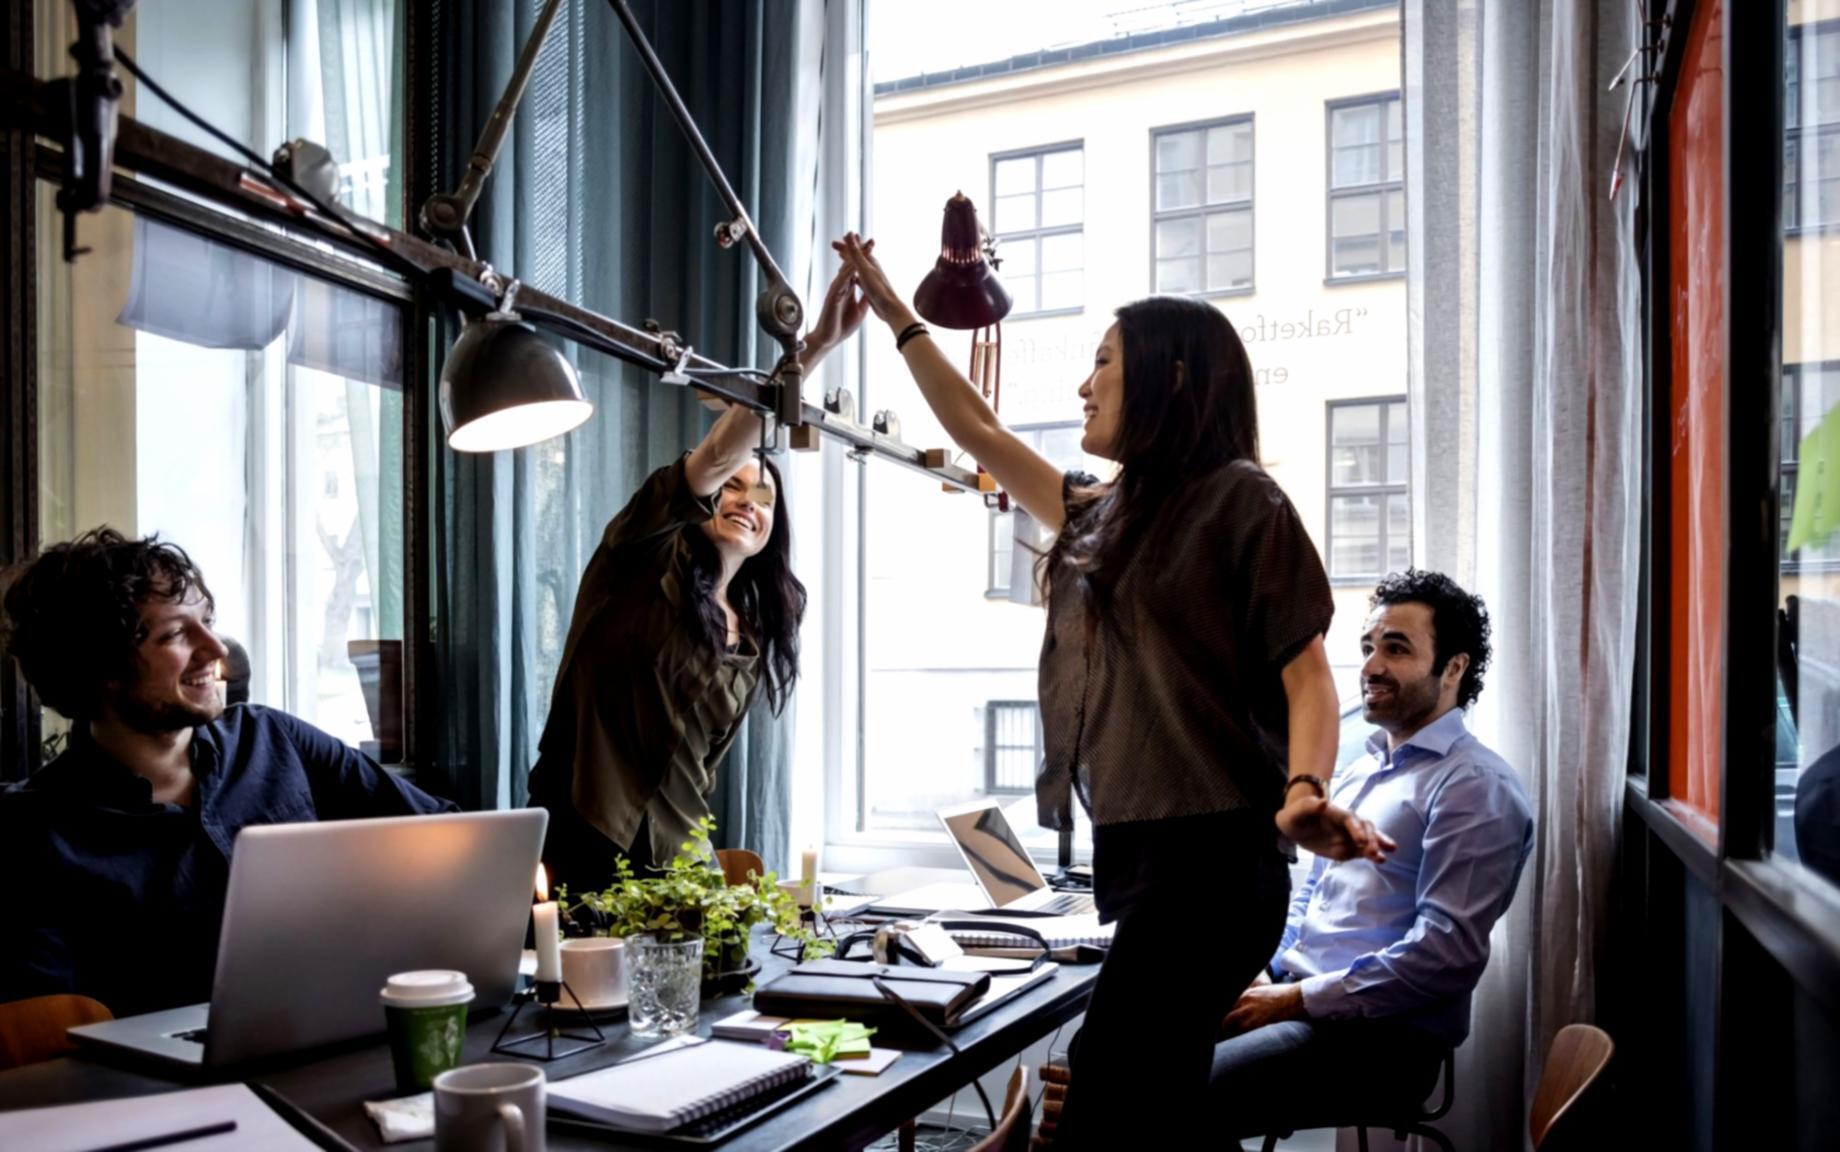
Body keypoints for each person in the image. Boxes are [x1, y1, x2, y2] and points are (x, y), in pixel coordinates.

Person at [831, 232, 1392, 1148]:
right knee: (1142, 1107)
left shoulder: (1244, 501)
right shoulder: (1105, 515)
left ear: (1171, 380)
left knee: (1104, 1101)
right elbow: (976, 429)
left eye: (1103, 364)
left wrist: (1303, 794)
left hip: (1217, 865)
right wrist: (898, 313)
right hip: (1148, 864)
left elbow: (1307, 672)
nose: (1085, 387)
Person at [0, 529, 456, 1017]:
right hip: (157, 1082)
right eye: (176, 633)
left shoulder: (274, 739)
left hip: (341, 1026)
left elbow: (448, 837)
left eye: (208, 621)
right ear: (100, 668)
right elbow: (43, 1033)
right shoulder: (31, 830)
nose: (215, 649)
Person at [527, 261, 868, 893]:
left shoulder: (754, 628)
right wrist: (815, 345)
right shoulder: (638, 553)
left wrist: (700, 875)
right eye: (735, 487)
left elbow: (699, 765)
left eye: (764, 496)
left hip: (681, 864)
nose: (748, 502)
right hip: (587, 839)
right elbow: (715, 454)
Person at [1209, 570, 1534, 1142]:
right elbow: (1311, 898)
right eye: (1368, 646)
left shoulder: (1475, 786)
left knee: (1178, 1095)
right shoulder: (1363, 769)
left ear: (1453, 668)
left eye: (1396, 648)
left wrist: (1295, 1000)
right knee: (1115, 1053)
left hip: (1383, 1042)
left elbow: (1445, 955)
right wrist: (1265, 967)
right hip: (1295, 995)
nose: (1370, 666)